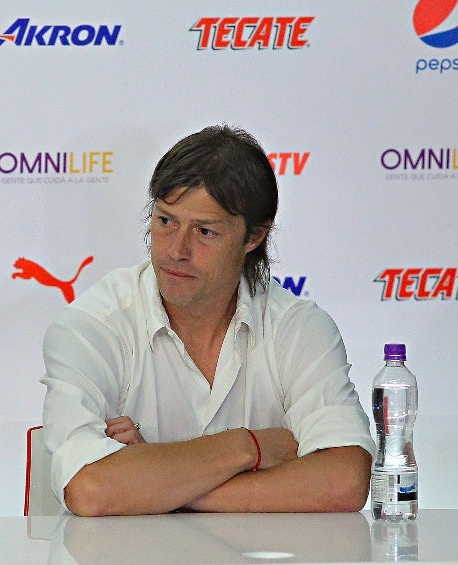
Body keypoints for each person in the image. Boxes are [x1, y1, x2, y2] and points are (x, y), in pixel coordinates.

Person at [41, 125, 375, 516]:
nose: (176, 250)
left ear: (254, 236)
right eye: (166, 221)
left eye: (204, 231)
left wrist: (152, 483)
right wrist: (249, 447)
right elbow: (91, 490)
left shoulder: (298, 327)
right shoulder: (93, 326)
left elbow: (343, 483)